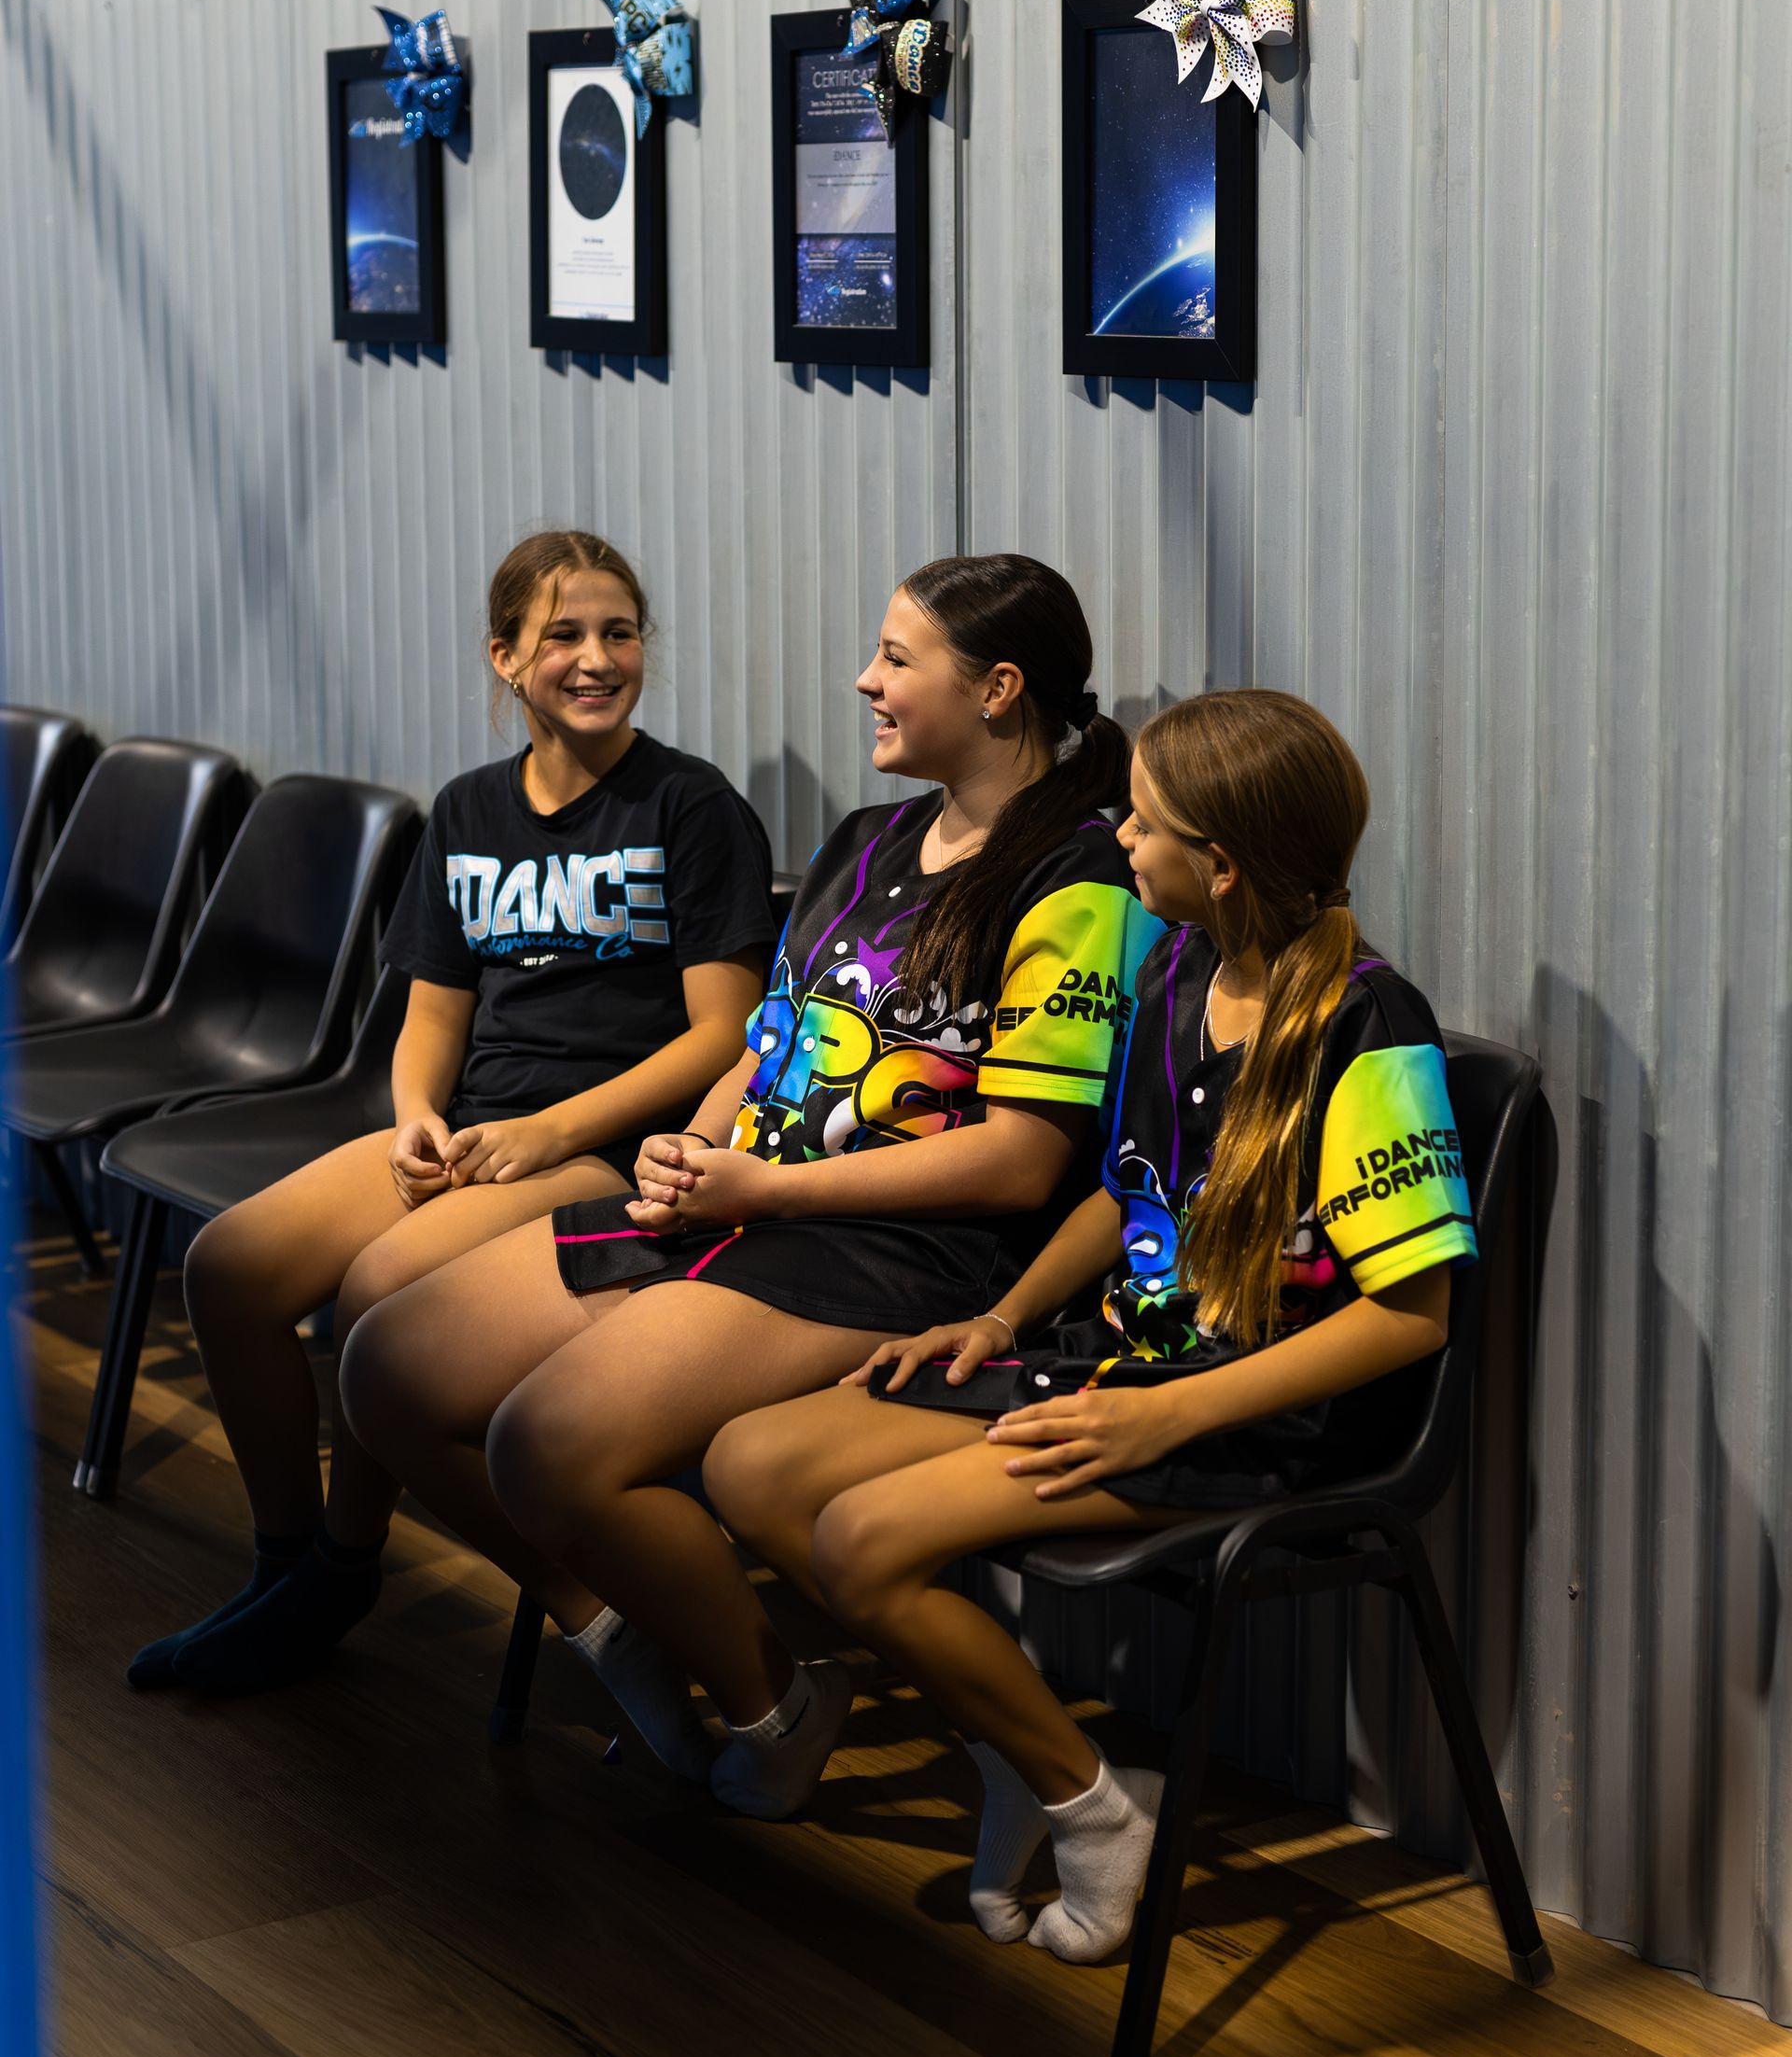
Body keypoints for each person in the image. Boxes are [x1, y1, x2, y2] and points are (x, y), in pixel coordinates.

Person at [339, 553, 1158, 1801]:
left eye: (895, 659)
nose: (864, 680)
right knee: (386, 1368)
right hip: (749, 1202)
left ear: (997, 691)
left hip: (901, 1254)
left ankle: (767, 1698)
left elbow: (1019, 1160)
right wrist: (703, 1142)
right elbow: (765, 1047)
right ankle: (625, 1635)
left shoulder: (1082, 879)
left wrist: (762, 1192)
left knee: (544, 1444)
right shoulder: (867, 838)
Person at [704, 688, 1478, 1961]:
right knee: (751, 1464)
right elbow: (1134, 1199)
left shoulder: (1368, 1025)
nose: (1119, 833)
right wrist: (1001, 1315)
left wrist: (1162, 1414)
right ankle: (1026, 1756)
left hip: (1260, 1413)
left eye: (1148, 823)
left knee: (860, 1541)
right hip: (1124, 1358)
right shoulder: (1175, 966)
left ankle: (1089, 1800)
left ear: (1218, 865)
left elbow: (1411, 1317)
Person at [129, 529, 774, 1697]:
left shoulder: (689, 806)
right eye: (563, 635)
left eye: (619, 632)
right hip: (475, 1129)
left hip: (607, 1152)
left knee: (382, 1288)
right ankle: (288, 1565)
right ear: (506, 658)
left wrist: (555, 1132)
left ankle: (343, 1560)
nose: (596, 658)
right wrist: (417, 1114)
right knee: (227, 1266)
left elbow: (721, 1038)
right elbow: (433, 1014)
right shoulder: (471, 809)